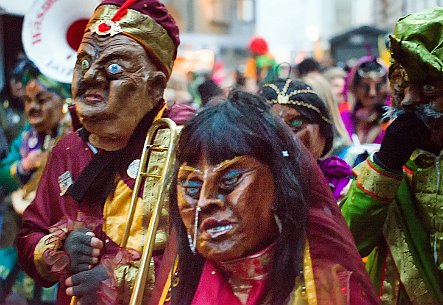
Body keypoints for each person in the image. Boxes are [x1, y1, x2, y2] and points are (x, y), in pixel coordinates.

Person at [16, 0, 180, 304]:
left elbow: (210, 257)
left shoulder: (185, 144)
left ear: (155, 87)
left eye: (115, 67)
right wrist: (56, 250)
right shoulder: (68, 148)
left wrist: (118, 281)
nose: (91, 77)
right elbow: (30, 235)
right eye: (84, 63)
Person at [155, 90, 377, 304]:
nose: (205, 201)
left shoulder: (329, 290)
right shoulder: (180, 289)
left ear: (279, 183)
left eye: (229, 180)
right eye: (192, 187)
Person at [340, 7, 443, 304]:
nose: (407, 101)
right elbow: (348, 242)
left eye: (428, 89)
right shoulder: (390, 163)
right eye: (402, 87)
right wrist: (385, 166)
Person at [0, 70, 71, 304]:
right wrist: (23, 166)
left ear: (62, 100)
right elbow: (3, 173)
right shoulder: (26, 136)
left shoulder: (73, 137)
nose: (32, 108)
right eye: (28, 101)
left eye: (42, 100)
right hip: (19, 243)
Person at [259, 78, 352, 202]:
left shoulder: (342, 188)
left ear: (322, 135)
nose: (283, 136)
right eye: (271, 124)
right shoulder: (249, 190)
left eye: (296, 123)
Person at [341, 56, 389, 145]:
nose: (372, 93)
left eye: (378, 86)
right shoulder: (343, 118)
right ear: (354, 88)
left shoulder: (394, 121)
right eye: (365, 86)